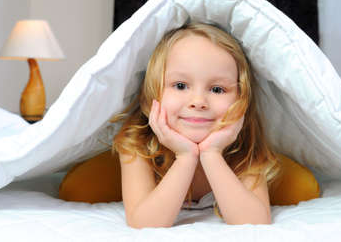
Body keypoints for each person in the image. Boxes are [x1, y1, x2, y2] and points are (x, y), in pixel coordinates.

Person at [112, 22, 279, 228]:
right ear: (149, 98)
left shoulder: (244, 146)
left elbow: (255, 223)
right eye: (180, 86)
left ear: (241, 101)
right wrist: (185, 157)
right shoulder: (136, 143)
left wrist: (212, 154)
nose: (198, 101)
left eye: (217, 89)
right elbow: (144, 223)